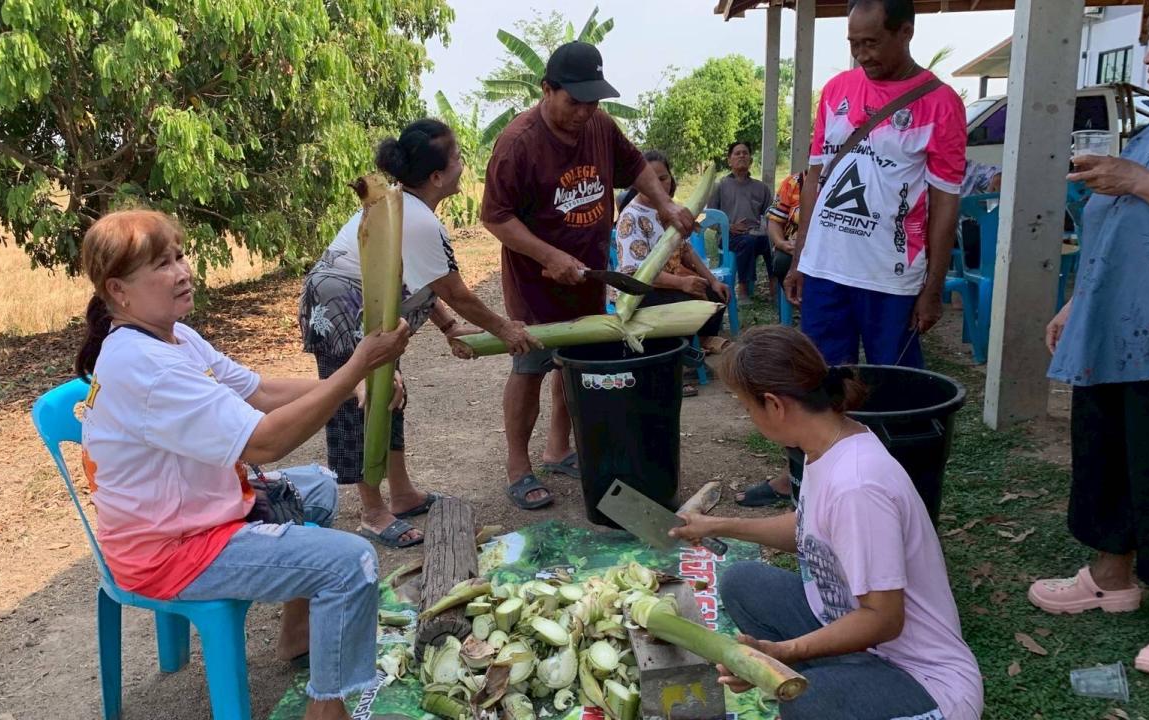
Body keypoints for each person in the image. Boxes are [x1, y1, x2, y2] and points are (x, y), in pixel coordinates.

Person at [75, 210, 411, 720]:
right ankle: (326, 710)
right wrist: (358, 367)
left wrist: (352, 384)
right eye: (162, 265)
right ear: (119, 291)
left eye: (180, 256)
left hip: (193, 512)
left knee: (318, 487)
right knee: (351, 562)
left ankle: (297, 636)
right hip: (172, 549)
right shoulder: (146, 367)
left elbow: (260, 391)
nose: (183, 271)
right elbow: (265, 441)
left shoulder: (174, 338)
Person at [672, 326, 983, 720]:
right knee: (742, 582)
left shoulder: (857, 485)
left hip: (922, 680)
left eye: (746, 407)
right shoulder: (828, 443)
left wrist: (785, 652)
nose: (748, 417)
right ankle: (839, 677)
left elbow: (884, 619)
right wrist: (716, 526)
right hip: (857, 640)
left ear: (774, 404)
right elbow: (810, 530)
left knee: (808, 702)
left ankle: (836, 686)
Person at [299, 119, 539, 548]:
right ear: (437, 177)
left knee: (392, 396)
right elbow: (455, 290)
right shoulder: (416, 219)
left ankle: (403, 493)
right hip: (341, 310)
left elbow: (420, 280)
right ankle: (372, 512)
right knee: (361, 404)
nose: (464, 164)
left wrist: (447, 326)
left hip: (373, 313)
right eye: (458, 158)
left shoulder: (405, 207)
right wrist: (505, 328)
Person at [482, 41, 694, 510]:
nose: (584, 112)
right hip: (537, 284)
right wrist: (548, 255)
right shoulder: (518, 144)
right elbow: (495, 218)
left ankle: (558, 450)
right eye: (574, 101)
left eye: (592, 101)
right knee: (530, 367)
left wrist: (666, 203)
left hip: (589, 276)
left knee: (574, 366)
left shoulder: (599, 125)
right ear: (547, 90)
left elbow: (636, 166)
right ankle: (519, 468)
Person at [1026, 0, 1149, 680]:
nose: (1147, 54)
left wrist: (1136, 181)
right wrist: (1078, 304)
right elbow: (1120, 230)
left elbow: (1141, 198)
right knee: (1108, 453)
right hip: (1117, 330)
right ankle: (1111, 576)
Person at [784, 0, 965, 369]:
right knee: (827, 384)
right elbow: (815, 179)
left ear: (905, 33)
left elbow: (945, 203)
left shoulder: (940, 104)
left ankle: (894, 430)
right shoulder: (837, 90)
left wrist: (932, 288)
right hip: (824, 270)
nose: (861, 54)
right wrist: (800, 260)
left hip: (890, 276)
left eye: (871, 42)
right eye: (854, 43)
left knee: (896, 385)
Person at [615, 150, 732, 397]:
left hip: (673, 280)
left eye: (664, 178)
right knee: (685, 304)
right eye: (651, 179)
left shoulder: (673, 211)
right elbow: (634, 273)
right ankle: (669, 371)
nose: (659, 184)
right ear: (638, 182)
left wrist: (712, 279)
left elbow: (686, 251)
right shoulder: (631, 217)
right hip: (640, 292)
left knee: (716, 295)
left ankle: (695, 346)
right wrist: (681, 284)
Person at [736, 171, 807, 507]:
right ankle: (796, 476)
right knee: (816, 378)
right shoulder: (798, 182)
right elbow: (778, 221)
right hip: (811, 265)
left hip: (880, 275)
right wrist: (783, 246)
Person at [709, 141, 774, 303]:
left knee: (772, 243)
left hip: (754, 234)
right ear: (729, 160)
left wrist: (769, 230)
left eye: (745, 153)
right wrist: (728, 227)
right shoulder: (720, 186)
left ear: (751, 160)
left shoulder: (761, 188)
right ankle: (743, 289)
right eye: (737, 153)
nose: (741, 156)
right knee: (747, 242)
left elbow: (771, 215)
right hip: (728, 236)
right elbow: (710, 218)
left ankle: (775, 287)